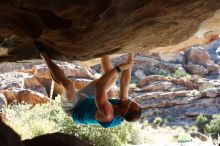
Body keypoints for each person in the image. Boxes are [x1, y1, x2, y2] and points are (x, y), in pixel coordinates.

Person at [34, 41, 141, 128]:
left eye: (129, 103)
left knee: (68, 85)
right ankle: (103, 48)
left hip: (74, 108)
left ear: (123, 111)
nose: (128, 100)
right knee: (113, 78)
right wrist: (130, 56)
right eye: (130, 100)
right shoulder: (124, 107)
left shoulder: (108, 114)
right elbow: (124, 84)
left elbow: (101, 86)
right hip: (88, 99)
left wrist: (119, 68)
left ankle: (44, 55)